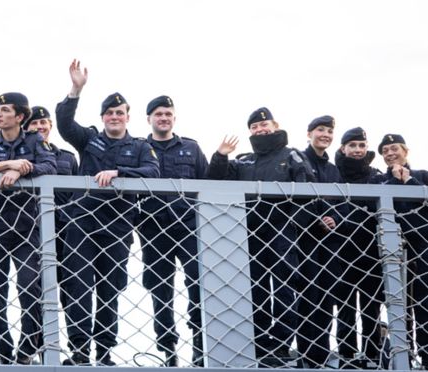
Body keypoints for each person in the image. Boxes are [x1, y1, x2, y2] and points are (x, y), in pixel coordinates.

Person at [55, 60, 160, 366]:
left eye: (120, 113)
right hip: (82, 225)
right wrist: (76, 90)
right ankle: (79, 350)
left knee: (109, 288)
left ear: (128, 117)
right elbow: (64, 125)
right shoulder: (90, 139)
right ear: (102, 117)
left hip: (117, 228)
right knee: (78, 286)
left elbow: (152, 172)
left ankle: (104, 351)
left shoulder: (140, 147)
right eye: (110, 113)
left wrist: (119, 172)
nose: (115, 117)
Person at [206, 107, 314, 366]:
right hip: (250, 232)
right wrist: (221, 155)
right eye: (254, 127)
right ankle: (260, 344)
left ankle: (281, 343)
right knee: (255, 289)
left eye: (264, 125)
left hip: (282, 230)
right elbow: (215, 180)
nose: (260, 129)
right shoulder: (244, 160)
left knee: (286, 287)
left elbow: (307, 191)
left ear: (275, 126)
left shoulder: (292, 155)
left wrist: (292, 224)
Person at [0, 92, 57, 365]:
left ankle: (27, 349)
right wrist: (8, 164)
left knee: (29, 285)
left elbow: (51, 165)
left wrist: (22, 170)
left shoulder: (34, 140)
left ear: (20, 117)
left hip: (27, 224)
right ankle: (3, 351)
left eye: (6, 110)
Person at [138, 95, 205, 366]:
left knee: (198, 283)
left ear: (174, 118)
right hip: (153, 227)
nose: (163, 118)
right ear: (149, 119)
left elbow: (206, 182)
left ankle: (200, 344)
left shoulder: (191, 148)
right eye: (158, 114)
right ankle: (168, 349)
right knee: (160, 288)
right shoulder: (140, 148)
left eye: (167, 114)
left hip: (189, 226)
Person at [295, 115, 346, 368]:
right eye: (320, 130)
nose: (325, 135)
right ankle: (305, 355)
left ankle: (321, 356)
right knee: (307, 296)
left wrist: (334, 218)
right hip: (304, 240)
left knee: (327, 298)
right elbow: (296, 198)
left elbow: (342, 203)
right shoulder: (297, 160)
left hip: (329, 243)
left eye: (329, 131)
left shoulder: (333, 169)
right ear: (309, 134)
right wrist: (316, 218)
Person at [375, 134, 428, 367]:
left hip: (423, 250)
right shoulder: (379, 181)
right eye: (385, 150)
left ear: (405, 151)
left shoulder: (423, 176)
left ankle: (426, 356)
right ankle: (402, 356)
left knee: (425, 305)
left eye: (394, 148)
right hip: (394, 253)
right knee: (398, 307)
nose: (390, 153)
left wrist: (408, 182)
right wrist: (394, 181)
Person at [333, 127, 385, 368]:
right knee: (344, 307)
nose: (357, 150)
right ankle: (347, 357)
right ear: (343, 148)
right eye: (352, 145)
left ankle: (372, 355)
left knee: (370, 306)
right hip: (340, 249)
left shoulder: (375, 175)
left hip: (370, 250)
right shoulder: (334, 173)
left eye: (361, 145)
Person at [25, 105, 78, 325]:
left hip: (64, 230)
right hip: (31, 228)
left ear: (50, 125)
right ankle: (35, 341)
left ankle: (76, 342)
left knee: (71, 285)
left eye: (43, 122)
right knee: (33, 287)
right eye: (34, 123)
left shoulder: (68, 158)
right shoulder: (23, 157)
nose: (39, 126)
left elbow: (77, 196)